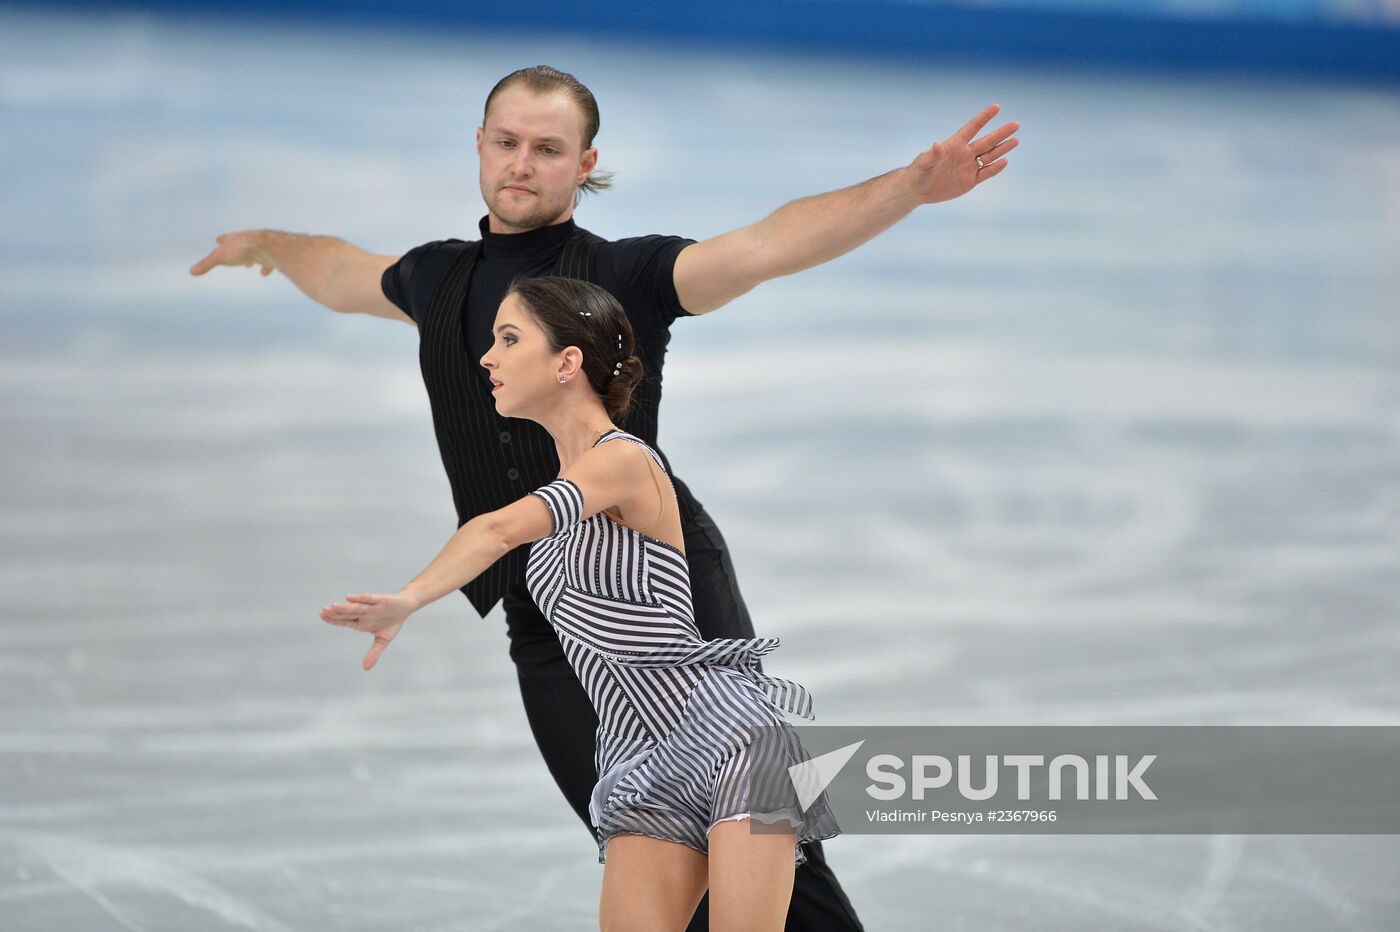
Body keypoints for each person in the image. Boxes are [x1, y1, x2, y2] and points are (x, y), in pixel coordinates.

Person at [190, 64, 1017, 931]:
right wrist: (266, 243)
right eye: (506, 142)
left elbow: (767, 244)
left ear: (586, 164)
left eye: (548, 149)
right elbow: (341, 272)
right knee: (641, 834)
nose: (521, 163)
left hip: (669, 600)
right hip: (546, 611)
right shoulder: (439, 280)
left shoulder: (623, 276)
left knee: (767, 860)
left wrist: (912, 187)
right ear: (479, 146)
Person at [322, 275, 840, 931]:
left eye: (509, 339)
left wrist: (409, 599)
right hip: (640, 761)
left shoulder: (624, 463)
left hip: (733, 742)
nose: (488, 357)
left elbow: (496, 530)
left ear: (568, 363)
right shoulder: (565, 491)